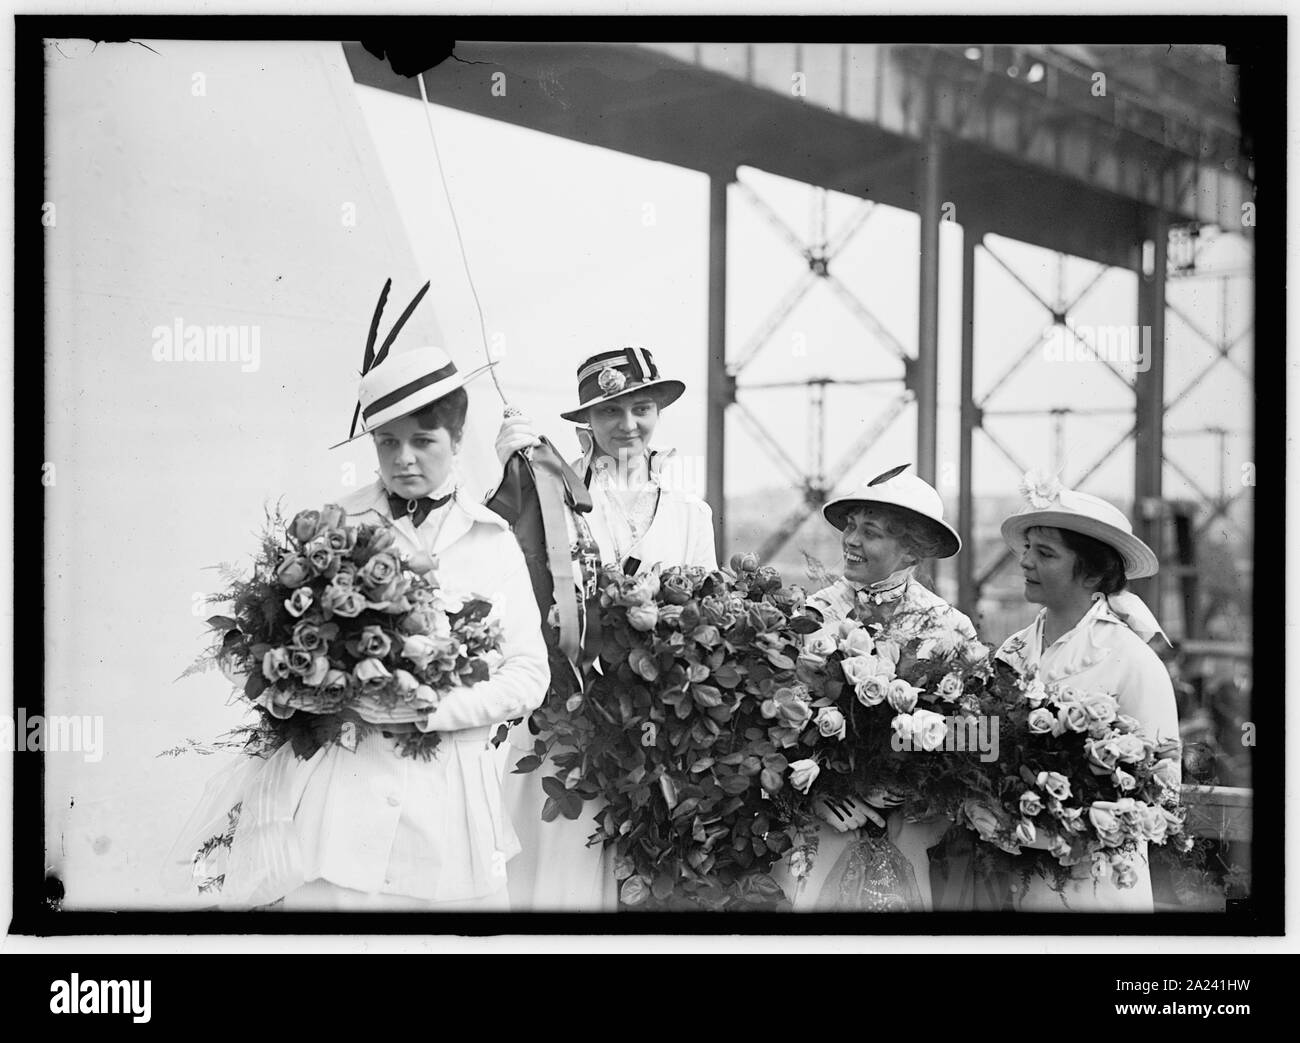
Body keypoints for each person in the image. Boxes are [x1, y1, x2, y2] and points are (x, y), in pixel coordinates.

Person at [170, 283, 548, 911]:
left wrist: (427, 709)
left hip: (450, 812)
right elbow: (275, 652)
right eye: (387, 442)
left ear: (456, 439)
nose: (403, 459)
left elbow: (528, 675)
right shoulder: (332, 528)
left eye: (422, 441)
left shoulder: (492, 541)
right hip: (340, 804)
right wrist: (315, 689)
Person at [492, 347, 717, 911]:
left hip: (660, 724)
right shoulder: (552, 498)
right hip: (567, 719)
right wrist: (507, 476)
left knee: (649, 877)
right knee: (563, 876)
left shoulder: (691, 511)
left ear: (659, 412)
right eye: (609, 412)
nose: (628, 425)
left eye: (641, 408)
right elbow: (498, 572)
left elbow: (711, 621)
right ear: (586, 422)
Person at [774, 464, 978, 911]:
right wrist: (818, 790)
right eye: (850, 526)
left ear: (912, 550)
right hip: (825, 827)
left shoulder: (950, 628)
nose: (851, 540)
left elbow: (983, 737)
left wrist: (923, 787)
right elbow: (771, 721)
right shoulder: (810, 617)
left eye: (871, 531)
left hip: (909, 832)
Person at [993, 475, 1180, 912]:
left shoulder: (1133, 662)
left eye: (1045, 553)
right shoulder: (1011, 652)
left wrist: (1073, 830)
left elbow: (1164, 793)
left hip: (1096, 891)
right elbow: (982, 747)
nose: (1025, 563)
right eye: (1027, 549)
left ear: (1092, 571)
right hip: (1010, 878)